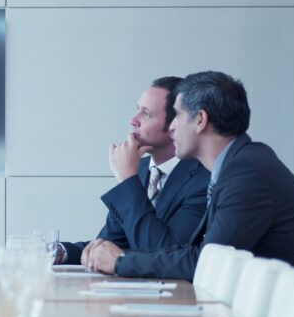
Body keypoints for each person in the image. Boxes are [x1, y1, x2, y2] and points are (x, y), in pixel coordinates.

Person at [85, 71, 294, 279]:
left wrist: (120, 262)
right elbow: (198, 253)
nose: (171, 127)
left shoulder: (248, 172)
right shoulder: (238, 165)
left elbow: (207, 263)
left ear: (200, 120)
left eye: (177, 115)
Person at [59, 77, 209, 264]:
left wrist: (127, 179)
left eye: (146, 114)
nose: (133, 120)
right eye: (137, 109)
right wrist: (61, 252)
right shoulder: (141, 168)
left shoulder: (204, 178)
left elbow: (165, 253)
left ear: (174, 125)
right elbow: (111, 244)